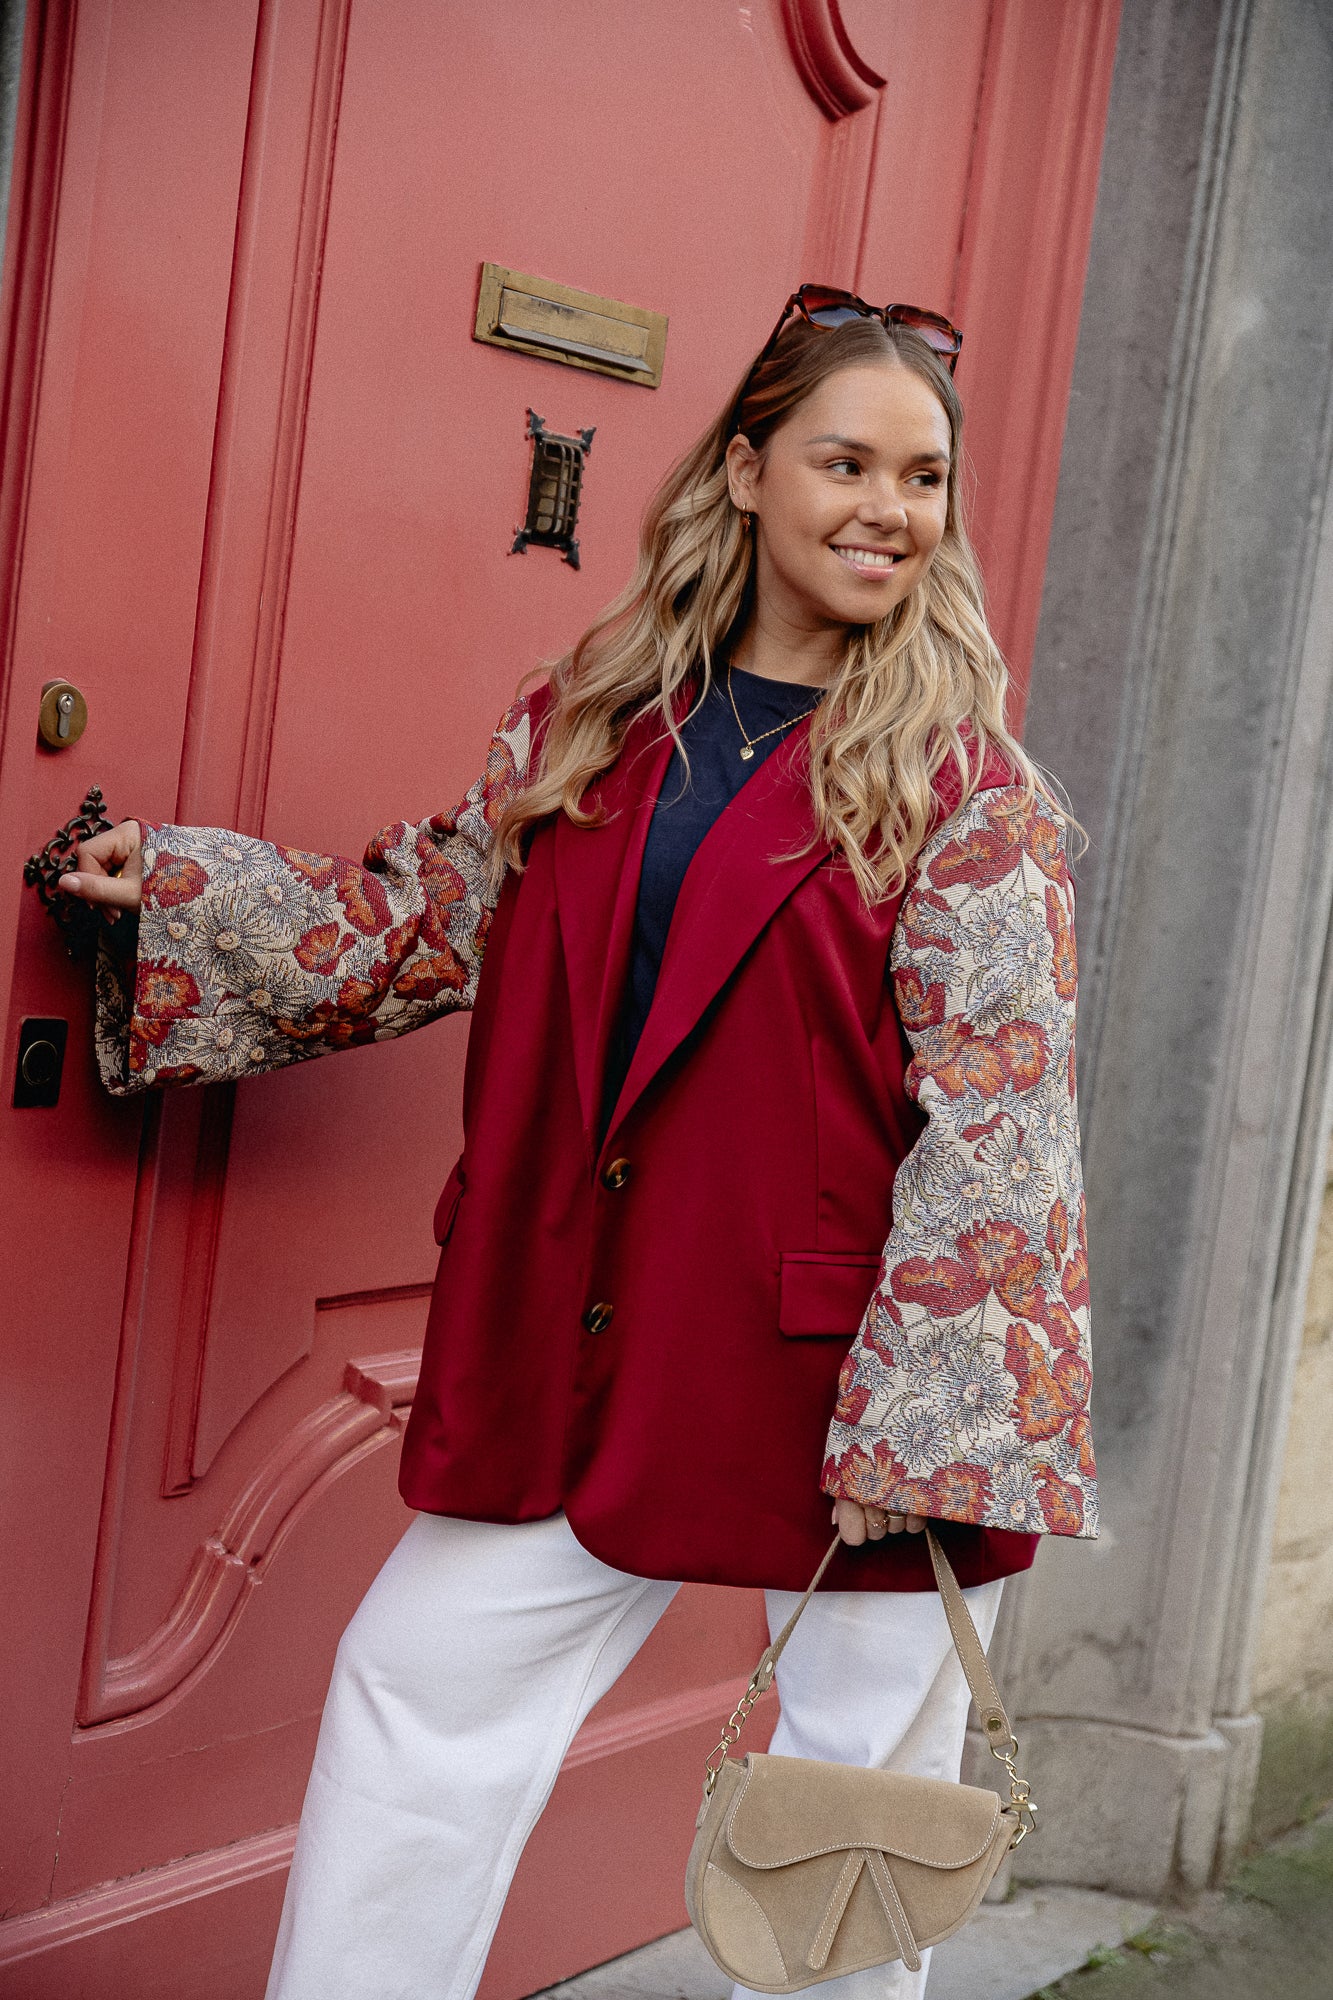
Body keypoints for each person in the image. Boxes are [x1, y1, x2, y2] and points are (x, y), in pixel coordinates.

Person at [61, 285, 1097, 2000]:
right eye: (845, 461)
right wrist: (175, 891)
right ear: (750, 469)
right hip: (585, 1339)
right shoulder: (587, 724)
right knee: (412, 1693)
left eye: (922, 479)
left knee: (847, 1846)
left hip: (857, 1390)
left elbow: (999, 1132)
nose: (887, 512)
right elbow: (422, 916)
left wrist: (921, 1431)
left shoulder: (967, 793)